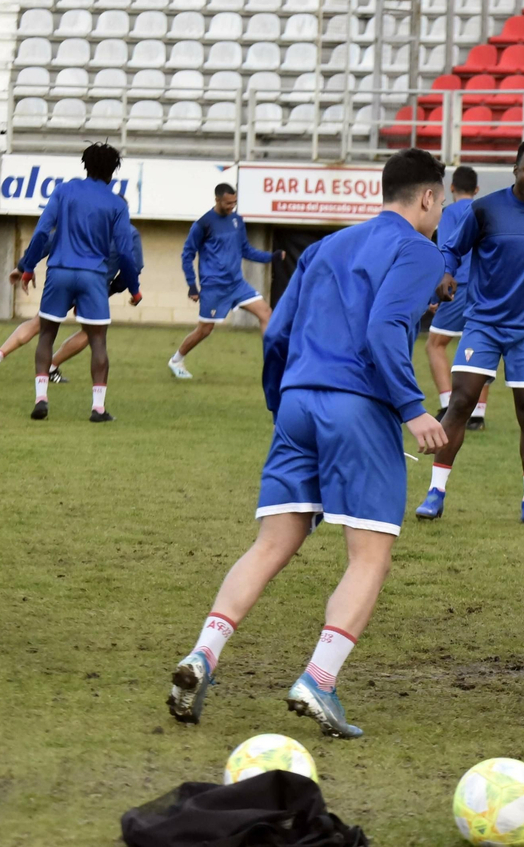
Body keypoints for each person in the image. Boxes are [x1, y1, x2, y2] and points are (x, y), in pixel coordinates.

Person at [167, 148, 450, 738]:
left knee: (271, 544)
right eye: (441, 202)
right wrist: (412, 409)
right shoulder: (419, 250)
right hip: (358, 408)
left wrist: (283, 404)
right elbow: (384, 329)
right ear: (427, 197)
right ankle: (319, 679)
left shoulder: (325, 247)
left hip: (298, 401)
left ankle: (203, 655)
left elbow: (280, 334)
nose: (440, 212)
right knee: (369, 555)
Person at [414, 140, 524, 526]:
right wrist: (445, 272)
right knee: (460, 403)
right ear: (515, 170)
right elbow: (452, 249)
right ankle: (435, 492)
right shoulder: (486, 209)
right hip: (483, 325)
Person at [10, 142, 142, 422]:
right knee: (98, 342)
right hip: (94, 275)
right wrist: (134, 288)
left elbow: (43, 232)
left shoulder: (64, 191)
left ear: (85, 166)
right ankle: (98, 408)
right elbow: (126, 252)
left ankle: (41, 398)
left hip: (59, 271)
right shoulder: (117, 204)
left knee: (46, 334)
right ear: (113, 172)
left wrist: (28, 267)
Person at [0, 216, 144, 383]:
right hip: (93, 285)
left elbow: (47, 241)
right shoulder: (129, 232)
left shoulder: (82, 220)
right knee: (92, 332)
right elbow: (134, 265)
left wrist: (23, 267)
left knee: (38, 323)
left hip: (63, 278)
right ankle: (51, 366)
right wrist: (114, 289)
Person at [168, 184, 281, 380]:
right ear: (217, 200)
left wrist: (271, 257)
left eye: (234, 203)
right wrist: (192, 286)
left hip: (237, 285)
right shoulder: (203, 224)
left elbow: (246, 250)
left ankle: (273, 368)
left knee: (266, 313)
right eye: (228, 203)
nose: (231, 207)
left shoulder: (237, 221)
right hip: (214, 287)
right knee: (205, 330)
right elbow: (187, 255)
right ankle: (176, 360)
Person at [424, 165, 490, 429]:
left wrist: (434, 294)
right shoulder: (486, 210)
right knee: (481, 346)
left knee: (435, 344)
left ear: (451, 189)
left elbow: (445, 252)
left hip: (458, 286)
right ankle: (477, 415)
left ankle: (448, 403)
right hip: (485, 289)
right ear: (476, 190)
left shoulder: (449, 212)